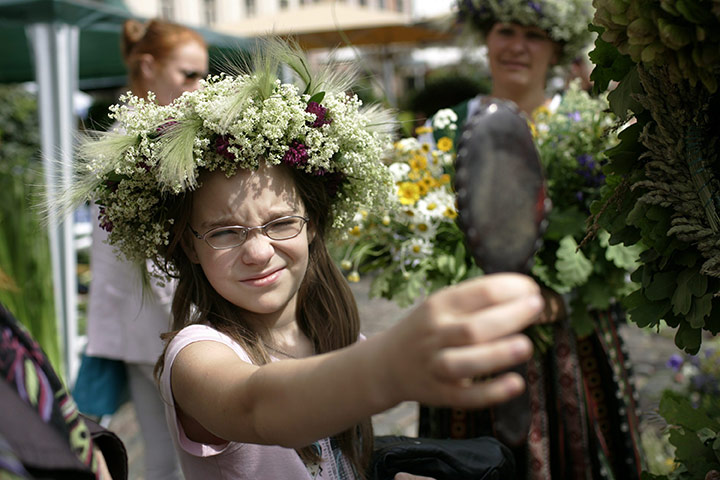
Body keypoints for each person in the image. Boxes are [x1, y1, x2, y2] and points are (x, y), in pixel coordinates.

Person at [60, 39, 551, 480]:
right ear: (188, 244)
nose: (257, 251)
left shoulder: (334, 334)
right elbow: (257, 405)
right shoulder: (195, 357)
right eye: (225, 232)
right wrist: (386, 370)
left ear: (312, 223)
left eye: (280, 223)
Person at [417, 1, 644, 479]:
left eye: (534, 35)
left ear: (557, 47)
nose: (517, 46)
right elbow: (421, 233)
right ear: (486, 37)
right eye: (506, 31)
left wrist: (560, 295)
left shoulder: (589, 127)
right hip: (476, 338)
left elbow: (619, 234)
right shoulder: (448, 127)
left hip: (570, 340)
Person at [78, 18, 208, 480]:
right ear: (149, 67)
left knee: (171, 452)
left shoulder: (142, 134)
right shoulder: (135, 142)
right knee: (177, 457)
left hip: (152, 325)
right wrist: (199, 319)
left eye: (202, 75)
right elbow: (146, 250)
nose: (198, 86)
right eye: (188, 74)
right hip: (164, 324)